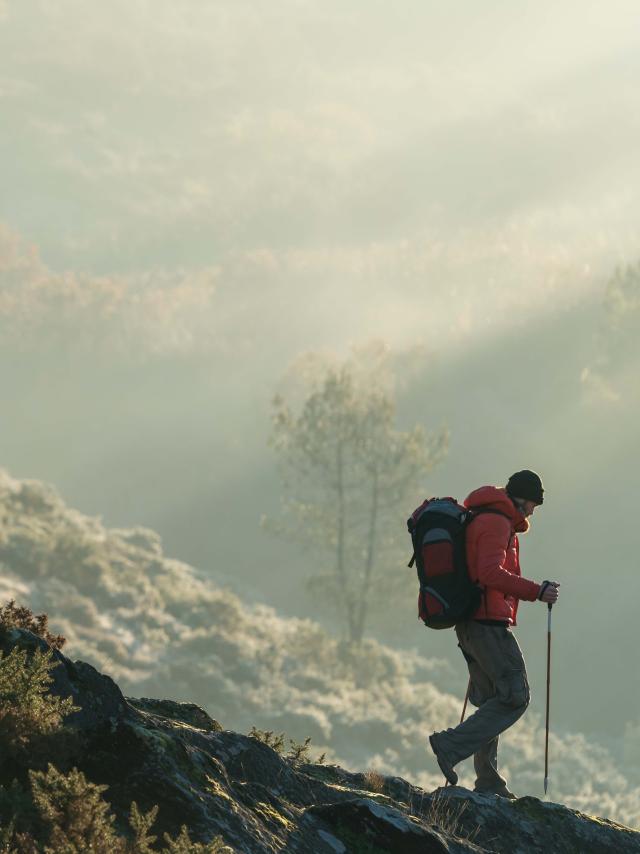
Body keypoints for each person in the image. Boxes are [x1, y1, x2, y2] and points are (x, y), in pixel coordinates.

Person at [428, 469, 560, 798]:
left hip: (473, 623)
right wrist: (536, 590)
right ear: (521, 497)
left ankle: (489, 783)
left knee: (490, 700)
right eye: (533, 503)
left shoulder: (486, 516)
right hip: (486, 624)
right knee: (515, 695)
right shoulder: (496, 522)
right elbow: (488, 573)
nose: (533, 510)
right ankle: (450, 744)